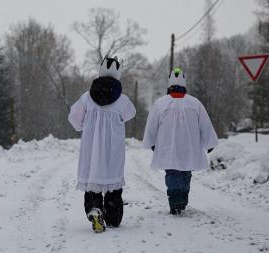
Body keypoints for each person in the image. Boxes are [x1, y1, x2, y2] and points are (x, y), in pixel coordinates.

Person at [68, 56, 136, 232]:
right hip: (113, 150)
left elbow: (74, 118)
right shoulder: (122, 100)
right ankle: (113, 218)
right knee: (113, 187)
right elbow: (131, 114)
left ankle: (94, 209)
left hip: (92, 149)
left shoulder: (86, 98)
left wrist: (84, 125)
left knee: (93, 184)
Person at [142, 68, 218, 215]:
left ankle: (175, 202)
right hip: (189, 147)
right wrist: (210, 143)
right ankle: (182, 200)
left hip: (168, 146)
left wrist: (151, 142)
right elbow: (205, 124)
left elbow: (152, 124)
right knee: (185, 174)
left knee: (172, 174)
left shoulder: (161, 103)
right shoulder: (194, 103)